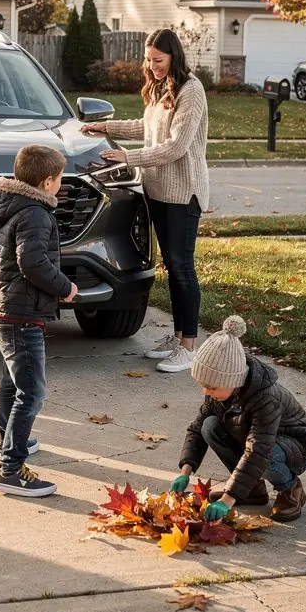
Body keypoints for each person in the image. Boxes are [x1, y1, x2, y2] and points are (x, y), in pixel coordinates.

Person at [82, 27, 208, 373]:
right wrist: (106, 128)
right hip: (158, 191)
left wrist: (128, 159)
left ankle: (189, 347)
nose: (153, 66)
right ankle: (178, 335)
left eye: (159, 60)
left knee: (183, 268)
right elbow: (147, 128)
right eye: (148, 60)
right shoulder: (160, 88)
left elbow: (176, 146)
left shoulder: (191, 90)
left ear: (174, 56)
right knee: (171, 265)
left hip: (183, 192)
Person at [0, 144, 78, 498]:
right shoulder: (36, 213)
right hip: (20, 313)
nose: (60, 185)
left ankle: (7, 439)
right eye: (59, 179)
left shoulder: (11, 205)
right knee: (32, 391)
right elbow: (33, 263)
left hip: (4, 307)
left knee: (14, 382)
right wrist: (65, 287)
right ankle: (10, 469)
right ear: (47, 181)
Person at [169, 315, 306, 522]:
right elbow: (196, 429)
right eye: (203, 385)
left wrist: (227, 500)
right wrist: (185, 472)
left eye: (212, 386)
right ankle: (252, 490)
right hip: (260, 441)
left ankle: (290, 489)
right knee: (209, 426)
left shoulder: (266, 398)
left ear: (233, 381)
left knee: (268, 455)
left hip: (297, 444)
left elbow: (258, 450)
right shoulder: (220, 391)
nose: (206, 390)